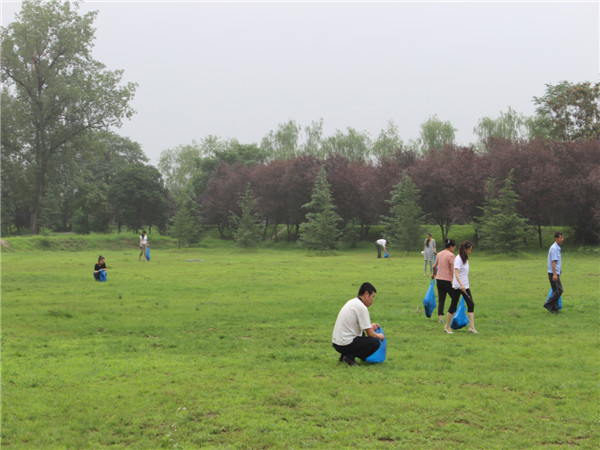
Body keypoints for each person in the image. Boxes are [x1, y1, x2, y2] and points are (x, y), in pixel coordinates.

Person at [332, 282, 385, 366]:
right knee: (375, 342)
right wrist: (379, 336)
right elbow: (370, 334)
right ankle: (350, 357)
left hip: (336, 343)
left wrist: (370, 327)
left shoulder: (352, 302)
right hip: (345, 344)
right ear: (366, 294)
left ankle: (344, 355)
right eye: (372, 296)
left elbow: (357, 326)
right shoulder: (362, 308)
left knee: (362, 334)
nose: (372, 300)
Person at [446, 241, 477, 334]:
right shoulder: (458, 259)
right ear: (465, 249)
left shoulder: (465, 259)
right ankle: (447, 327)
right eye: (469, 249)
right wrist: (461, 285)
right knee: (453, 306)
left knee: (471, 304)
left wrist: (464, 285)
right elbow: (456, 273)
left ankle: (472, 327)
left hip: (465, 285)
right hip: (458, 286)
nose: (470, 251)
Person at [431, 239, 456, 325]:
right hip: (448, 280)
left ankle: (440, 318)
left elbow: (434, 266)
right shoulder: (451, 255)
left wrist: (433, 274)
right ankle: (454, 315)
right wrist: (453, 280)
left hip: (439, 280)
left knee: (441, 299)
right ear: (451, 246)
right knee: (454, 298)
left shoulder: (439, 254)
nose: (454, 249)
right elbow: (452, 269)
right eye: (454, 247)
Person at [544, 232, 564, 313]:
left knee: (556, 290)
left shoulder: (556, 247)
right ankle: (548, 304)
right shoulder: (554, 248)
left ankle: (555, 309)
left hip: (554, 272)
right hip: (553, 273)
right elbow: (553, 262)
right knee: (559, 290)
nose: (562, 239)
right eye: (560, 238)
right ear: (556, 238)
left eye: (562, 237)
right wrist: (555, 274)